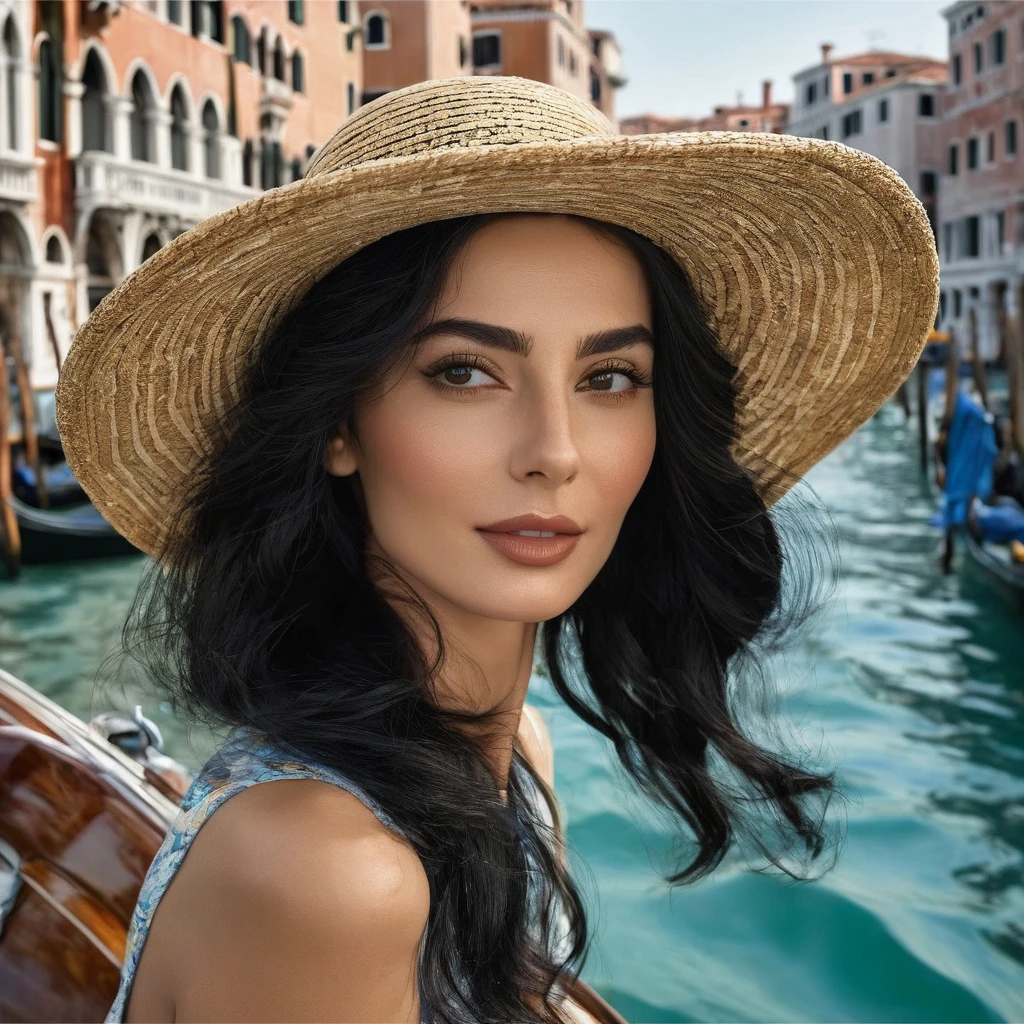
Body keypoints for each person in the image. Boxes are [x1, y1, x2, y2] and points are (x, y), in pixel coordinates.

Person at [55, 75, 940, 1023]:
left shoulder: (514, 754)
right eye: (466, 372)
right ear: (337, 424)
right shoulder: (332, 881)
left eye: (609, 376)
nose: (555, 451)